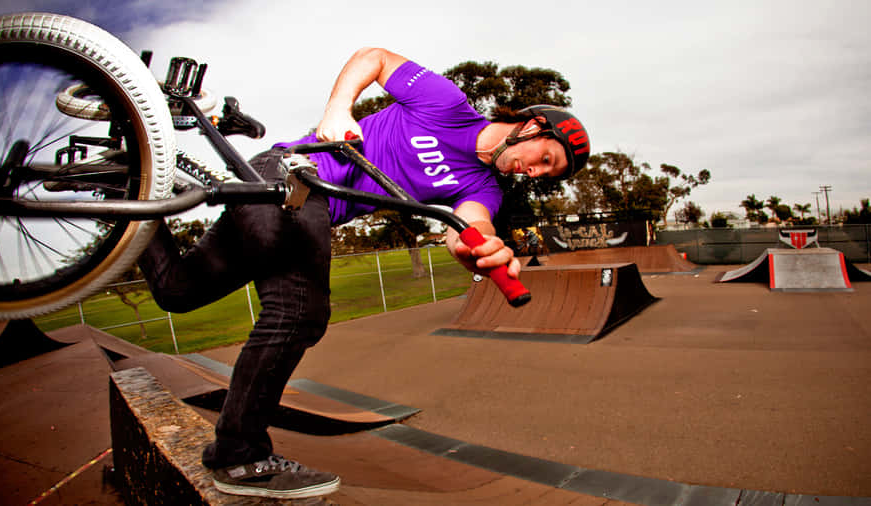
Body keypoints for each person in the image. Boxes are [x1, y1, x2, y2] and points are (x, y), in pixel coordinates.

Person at [137, 47, 589, 500]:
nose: (533, 173)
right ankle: (237, 455)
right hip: (293, 176)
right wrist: (338, 108)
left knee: (177, 289)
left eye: (546, 175)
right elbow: (373, 58)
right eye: (545, 159)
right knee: (299, 312)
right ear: (532, 127)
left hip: (292, 209)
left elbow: (468, 227)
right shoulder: (446, 104)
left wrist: (482, 250)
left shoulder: (482, 186)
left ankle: (131, 183)